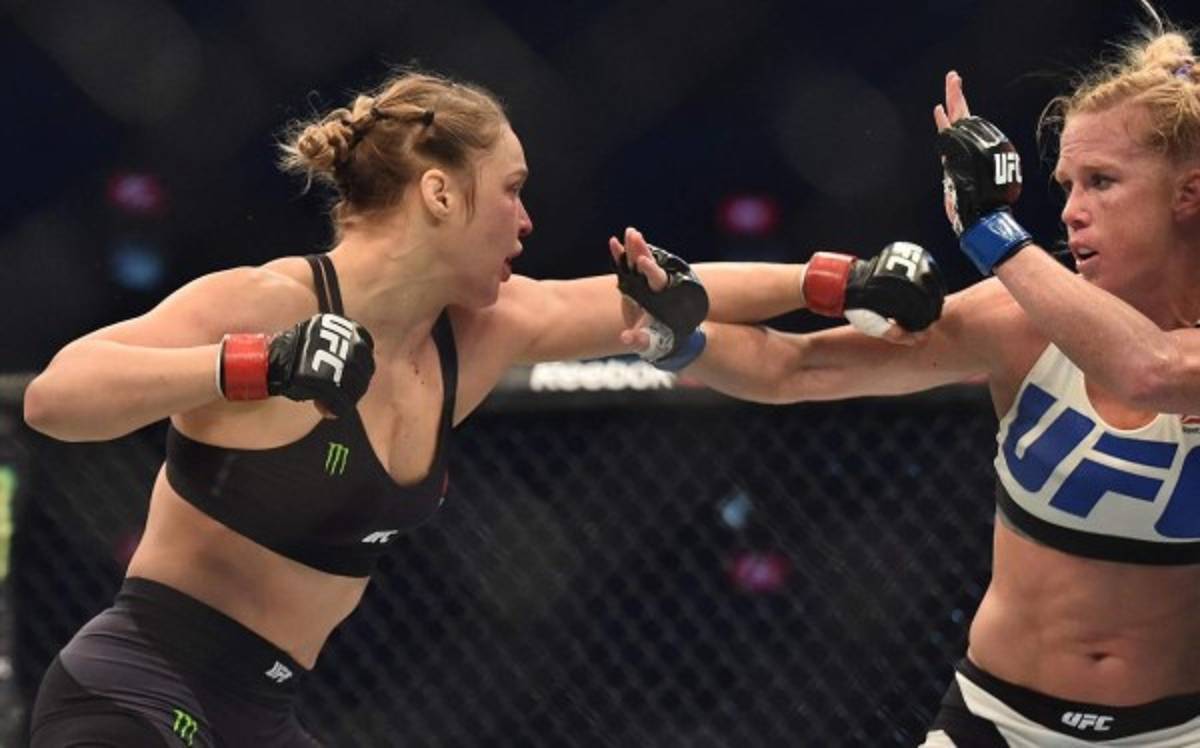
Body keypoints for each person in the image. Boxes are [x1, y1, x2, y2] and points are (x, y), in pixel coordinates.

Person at [19, 69, 838, 747]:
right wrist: (256, 366)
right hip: (138, 692)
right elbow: (57, 397)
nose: (528, 221)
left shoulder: (479, 333)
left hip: (264, 716)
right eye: (512, 190)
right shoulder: (272, 302)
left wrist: (836, 282)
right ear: (440, 193)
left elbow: (661, 293)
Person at [613, 14, 1200, 748]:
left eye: (1102, 182)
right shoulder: (1018, 322)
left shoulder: (1072, 307)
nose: (1072, 212)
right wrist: (678, 339)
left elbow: (1150, 370)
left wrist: (992, 234)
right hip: (999, 722)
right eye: (1066, 185)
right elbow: (798, 367)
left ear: (1188, 193)